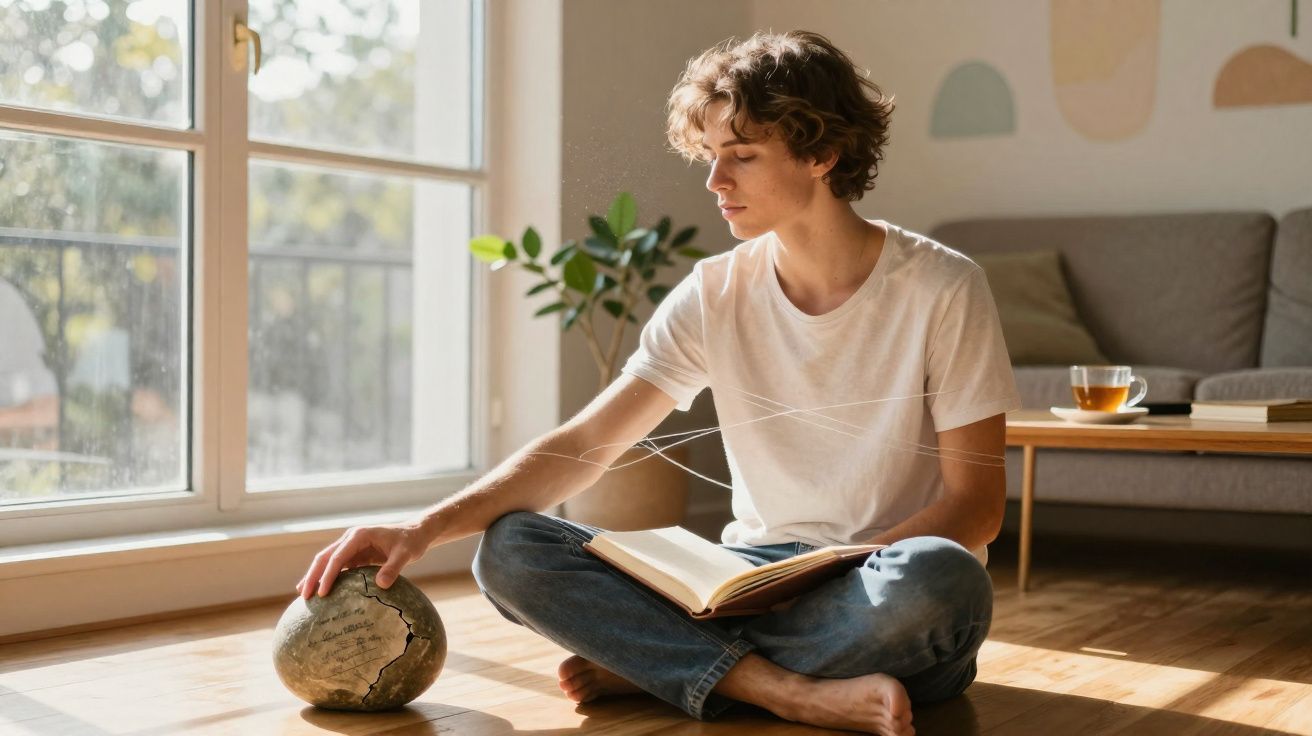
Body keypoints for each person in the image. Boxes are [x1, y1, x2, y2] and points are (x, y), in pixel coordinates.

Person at [297, 30, 1019, 736]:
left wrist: (819, 577)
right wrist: (421, 529)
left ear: (822, 154)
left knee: (943, 583)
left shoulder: (943, 288)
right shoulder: (714, 292)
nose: (715, 181)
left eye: (742, 156)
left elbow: (976, 508)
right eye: (711, 156)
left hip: (878, 583)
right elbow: (586, 443)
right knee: (511, 548)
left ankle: (666, 663)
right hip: (749, 576)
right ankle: (779, 690)